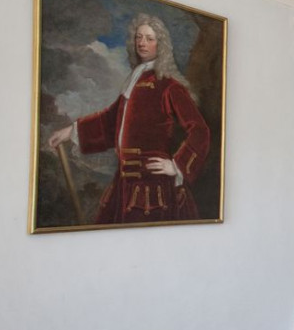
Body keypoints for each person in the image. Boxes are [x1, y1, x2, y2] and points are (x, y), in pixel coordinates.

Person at [48, 13, 211, 224]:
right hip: (124, 184)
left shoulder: (169, 86)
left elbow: (199, 130)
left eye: (149, 39)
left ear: (161, 45)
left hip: (153, 188)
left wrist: (177, 165)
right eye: (139, 37)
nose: (142, 43)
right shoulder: (135, 78)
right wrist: (71, 131)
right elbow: (110, 121)